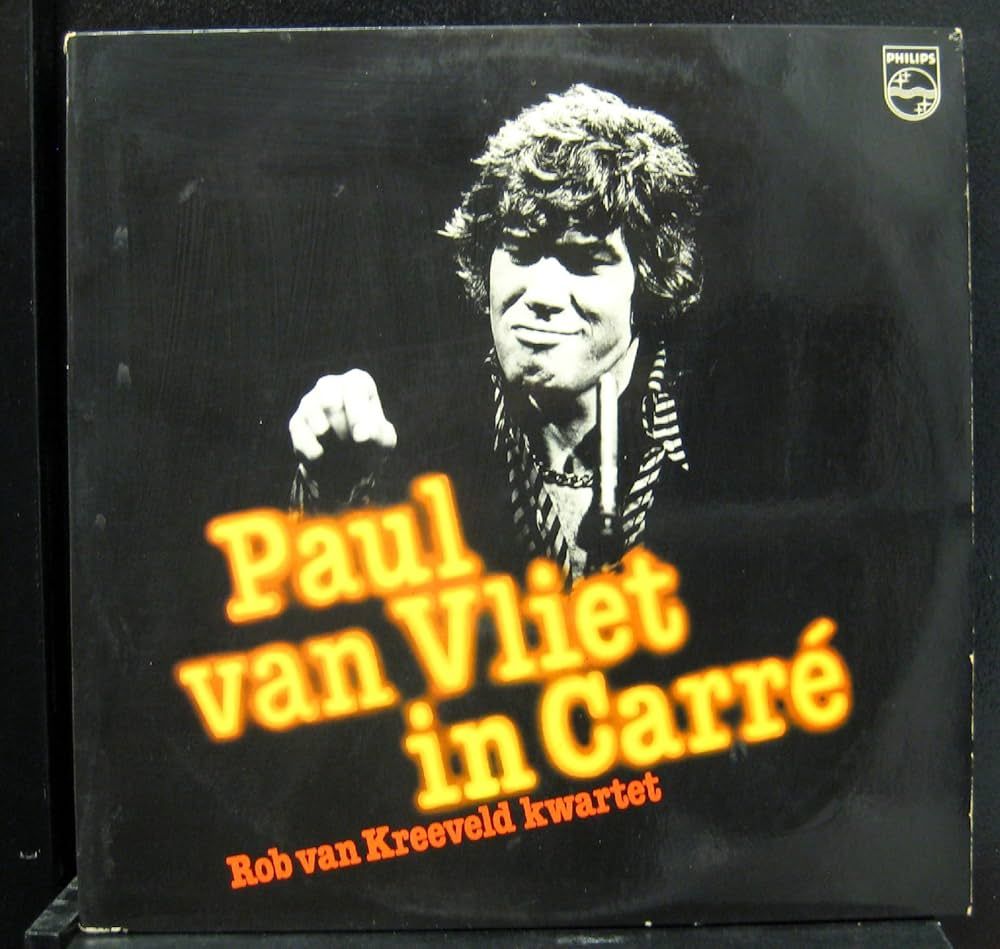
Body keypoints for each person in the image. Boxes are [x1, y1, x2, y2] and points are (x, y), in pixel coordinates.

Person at [289, 83, 702, 580]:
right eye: (521, 251)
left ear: (649, 281)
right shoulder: (407, 437)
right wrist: (331, 493)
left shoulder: (731, 436)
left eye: (584, 260)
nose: (543, 294)